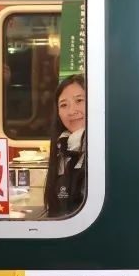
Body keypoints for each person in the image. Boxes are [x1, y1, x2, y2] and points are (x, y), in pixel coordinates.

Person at [44, 74, 87, 218]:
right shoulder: (62, 147)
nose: (71, 111)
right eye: (63, 105)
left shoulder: (106, 150)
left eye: (79, 100)